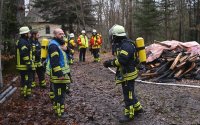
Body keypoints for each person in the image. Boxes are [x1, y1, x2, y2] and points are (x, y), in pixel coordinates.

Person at [103, 24, 143, 123]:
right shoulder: (125, 43)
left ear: (116, 36)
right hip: (128, 72)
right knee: (130, 92)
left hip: (127, 75)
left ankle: (129, 114)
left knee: (128, 94)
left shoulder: (126, 45)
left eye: (113, 36)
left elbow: (122, 61)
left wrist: (109, 63)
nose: (112, 38)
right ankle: (138, 108)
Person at [46, 28, 71, 117]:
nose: (62, 35)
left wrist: (67, 49)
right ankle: (59, 113)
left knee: (61, 94)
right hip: (58, 76)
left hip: (62, 74)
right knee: (59, 95)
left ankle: (59, 111)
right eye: (60, 34)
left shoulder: (61, 44)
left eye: (63, 33)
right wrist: (59, 74)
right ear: (55, 35)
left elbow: (68, 54)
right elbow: (54, 62)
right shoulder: (53, 45)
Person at [16, 26, 35, 98]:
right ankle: (26, 95)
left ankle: (23, 93)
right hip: (24, 66)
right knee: (27, 80)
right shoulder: (23, 42)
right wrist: (29, 63)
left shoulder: (23, 40)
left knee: (24, 80)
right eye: (28, 33)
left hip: (23, 65)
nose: (30, 34)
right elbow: (24, 54)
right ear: (25, 34)